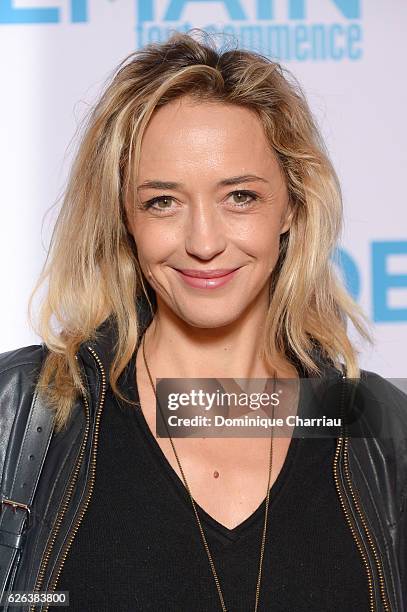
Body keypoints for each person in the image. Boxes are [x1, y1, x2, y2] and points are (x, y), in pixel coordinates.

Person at [0, 30, 406, 612]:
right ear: (125, 218)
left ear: (291, 206)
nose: (204, 243)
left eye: (240, 196)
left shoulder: (379, 432)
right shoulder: (20, 413)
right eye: (162, 201)